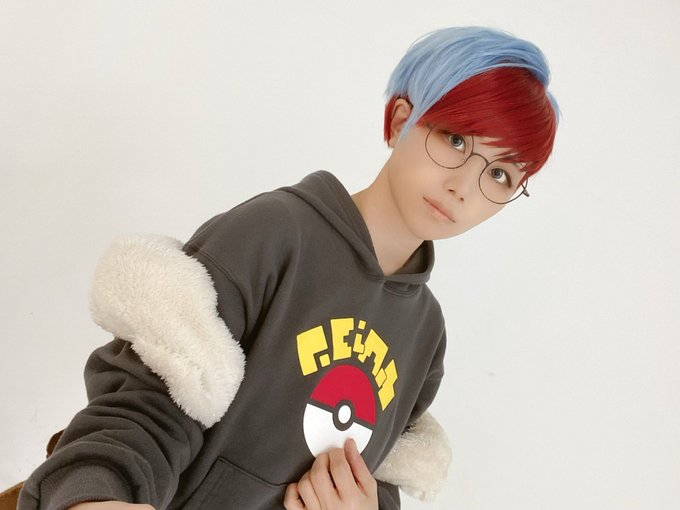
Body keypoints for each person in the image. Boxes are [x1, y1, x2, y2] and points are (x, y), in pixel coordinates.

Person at [17, 26, 558, 510]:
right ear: (401, 121)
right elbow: (147, 406)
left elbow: (379, 476)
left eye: (501, 175)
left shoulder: (426, 334)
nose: (464, 186)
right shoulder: (276, 234)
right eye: (456, 140)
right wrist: (96, 496)